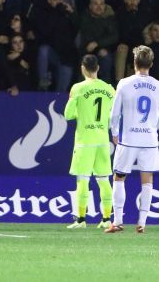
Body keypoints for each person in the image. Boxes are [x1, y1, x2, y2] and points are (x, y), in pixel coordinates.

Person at [105, 45, 159, 234]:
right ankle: (142, 223)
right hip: (149, 138)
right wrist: (150, 130)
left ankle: (117, 221)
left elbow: (114, 113)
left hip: (129, 137)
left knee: (119, 177)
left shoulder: (124, 83)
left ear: (134, 63)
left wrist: (115, 132)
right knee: (147, 179)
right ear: (152, 64)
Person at [64, 54, 116, 229]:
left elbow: (68, 115)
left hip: (85, 140)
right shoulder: (109, 89)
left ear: (82, 69)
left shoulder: (78, 88)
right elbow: (114, 115)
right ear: (98, 68)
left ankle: (81, 219)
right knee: (104, 180)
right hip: (103, 140)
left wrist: (81, 113)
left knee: (83, 180)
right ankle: (107, 219)